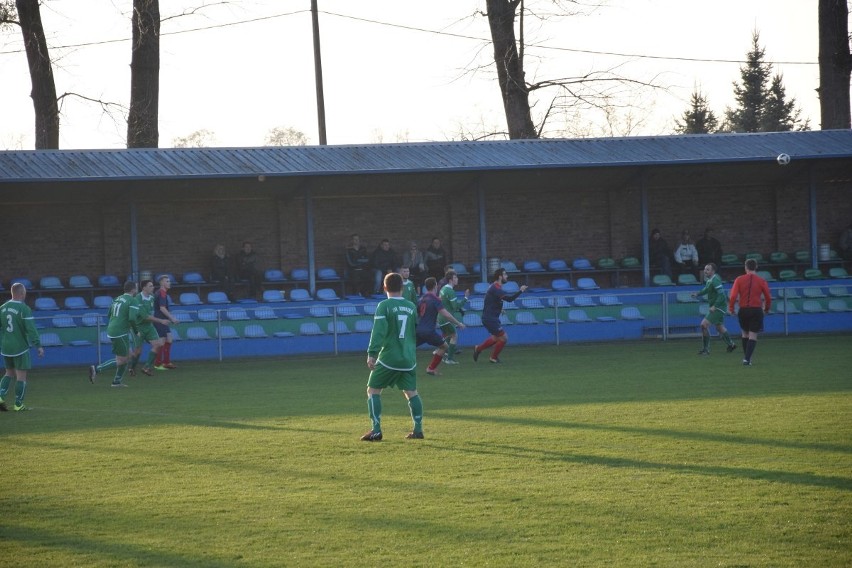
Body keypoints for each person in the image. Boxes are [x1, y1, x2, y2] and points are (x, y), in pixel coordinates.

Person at [360, 272, 423, 441]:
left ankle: (376, 430)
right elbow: (413, 331)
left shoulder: (384, 306)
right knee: (412, 392)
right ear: (402, 287)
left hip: (389, 357)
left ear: (384, 287)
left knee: (373, 390)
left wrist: (372, 353)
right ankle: (418, 429)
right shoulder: (411, 306)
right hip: (408, 358)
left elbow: (378, 331)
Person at [0, 282, 44, 410]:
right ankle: (18, 405)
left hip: (6, 347)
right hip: (20, 347)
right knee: (21, 376)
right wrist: (39, 345)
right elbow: (31, 329)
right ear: (22, 293)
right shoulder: (24, 309)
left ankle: (0, 395)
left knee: (8, 372)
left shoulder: (2, 308)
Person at [89, 280, 140, 387]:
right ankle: (97, 369)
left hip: (113, 329)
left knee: (129, 355)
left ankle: (117, 381)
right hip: (120, 332)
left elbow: (109, 315)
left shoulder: (117, 299)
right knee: (122, 359)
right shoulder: (132, 300)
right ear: (133, 289)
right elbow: (132, 318)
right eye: (136, 288)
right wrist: (136, 331)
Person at [473, 268, 528, 364]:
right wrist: (521, 291)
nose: (507, 276)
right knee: (504, 338)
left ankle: (479, 349)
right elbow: (510, 299)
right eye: (505, 274)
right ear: (500, 276)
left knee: (496, 338)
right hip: (490, 319)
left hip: (490, 318)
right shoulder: (496, 288)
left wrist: (500, 309)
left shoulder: (494, 287)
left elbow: (490, 300)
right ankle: (493, 358)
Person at [416, 277, 465, 376]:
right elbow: (445, 314)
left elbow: (419, 314)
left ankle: (394, 367)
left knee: (408, 348)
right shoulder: (435, 299)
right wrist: (458, 323)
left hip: (419, 330)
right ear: (435, 286)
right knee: (444, 347)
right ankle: (431, 368)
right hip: (429, 331)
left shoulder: (421, 298)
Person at [728, 259, 772, 366]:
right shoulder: (761, 281)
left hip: (743, 310)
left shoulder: (739, 279)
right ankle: (747, 359)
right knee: (753, 335)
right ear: (756, 267)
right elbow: (768, 297)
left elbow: (733, 296)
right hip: (756, 310)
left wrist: (732, 309)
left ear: (745, 267)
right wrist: (766, 309)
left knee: (745, 334)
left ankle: (747, 358)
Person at [692, 263, 736, 355]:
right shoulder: (710, 280)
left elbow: (722, 295)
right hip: (718, 307)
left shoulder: (715, 280)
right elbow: (706, 289)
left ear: (713, 271)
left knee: (703, 325)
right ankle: (731, 344)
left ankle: (706, 349)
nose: (705, 271)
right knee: (719, 327)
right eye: (705, 269)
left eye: (708, 269)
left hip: (718, 307)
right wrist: (698, 294)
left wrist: (715, 306)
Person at [129, 280, 171, 376]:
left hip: (148, 326)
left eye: (152, 286)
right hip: (138, 327)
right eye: (150, 286)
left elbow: (151, 314)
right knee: (138, 351)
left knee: (158, 344)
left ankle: (146, 367)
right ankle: (131, 367)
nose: (153, 287)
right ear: (144, 288)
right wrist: (161, 321)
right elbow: (145, 316)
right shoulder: (137, 299)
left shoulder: (152, 297)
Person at [438, 269, 470, 365]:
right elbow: (455, 307)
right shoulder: (450, 291)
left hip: (441, 317)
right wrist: (465, 298)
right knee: (454, 336)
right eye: (455, 277)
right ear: (451, 280)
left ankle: (443, 354)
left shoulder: (443, 289)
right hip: (446, 318)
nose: (457, 279)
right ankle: (449, 359)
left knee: (448, 337)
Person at [153, 274, 180, 370]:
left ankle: (166, 362)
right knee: (161, 342)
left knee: (169, 339)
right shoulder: (162, 293)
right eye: (167, 281)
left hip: (163, 320)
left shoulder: (161, 293)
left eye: (169, 281)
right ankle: (157, 364)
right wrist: (172, 318)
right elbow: (162, 308)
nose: (169, 283)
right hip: (160, 320)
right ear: (161, 283)